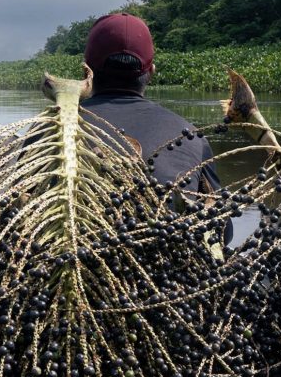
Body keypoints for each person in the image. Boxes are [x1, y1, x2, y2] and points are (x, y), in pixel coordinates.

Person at [81, 13, 232, 244]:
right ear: (151, 72)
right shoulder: (191, 136)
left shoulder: (48, 129)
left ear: (86, 71)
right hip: (166, 266)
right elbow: (222, 230)